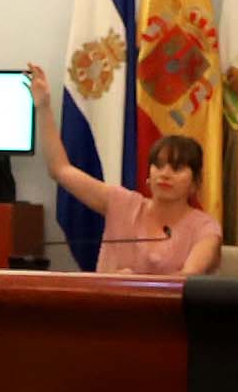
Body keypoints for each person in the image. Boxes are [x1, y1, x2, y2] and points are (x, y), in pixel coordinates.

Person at [22, 63, 222, 274]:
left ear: (195, 182)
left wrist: (135, 285)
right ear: (148, 175)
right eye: (159, 165)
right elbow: (60, 170)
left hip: (165, 308)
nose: (165, 174)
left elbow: (188, 281)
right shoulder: (123, 205)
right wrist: (43, 107)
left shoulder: (205, 228)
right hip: (105, 306)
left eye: (177, 168)